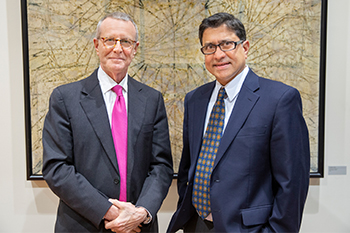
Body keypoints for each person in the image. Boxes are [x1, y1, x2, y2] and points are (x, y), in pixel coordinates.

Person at [167, 12, 310, 233]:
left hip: (249, 229)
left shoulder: (280, 99)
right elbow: (189, 167)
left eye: (227, 44)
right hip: (197, 225)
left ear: (245, 47)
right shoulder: (195, 100)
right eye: (210, 47)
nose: (218, 54)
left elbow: (292, 184)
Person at [42, 12, 173, 233]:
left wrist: (140, 212)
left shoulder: (152, 100)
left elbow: (161, 166)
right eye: (109, 40)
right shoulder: (65, 98)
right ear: (96, 44)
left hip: (139, 227)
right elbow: (57, 167)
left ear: (135, 48)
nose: (118, 48)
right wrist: (110, 211)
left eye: (126, 42)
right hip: (84, 224)